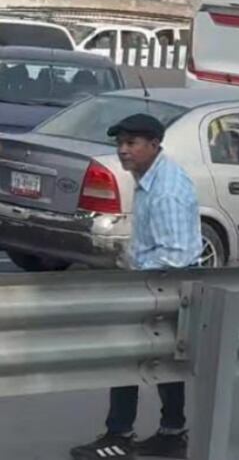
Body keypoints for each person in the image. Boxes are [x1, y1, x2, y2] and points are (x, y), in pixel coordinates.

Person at [70, 114, 202, 460]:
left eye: (131, 144)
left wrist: (136, 273)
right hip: (157, 283)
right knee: (163, 361)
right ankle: (172, 433)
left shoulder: (167, 191)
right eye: (120, 143)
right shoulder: (152, 178)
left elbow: (175, 256)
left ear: (154, 145)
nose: (123, 151)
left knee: (126, 357)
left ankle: (119, 435)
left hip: (163, 285)